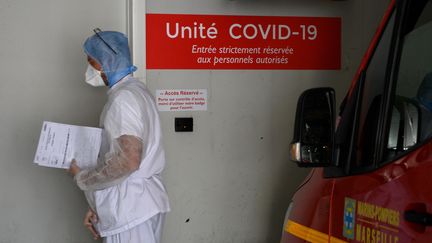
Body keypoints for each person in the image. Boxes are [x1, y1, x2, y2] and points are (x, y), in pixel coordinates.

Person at [68, 29, 170, 243]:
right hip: (140, 204)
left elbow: (128, 161)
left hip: (131, 209)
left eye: (92, 62)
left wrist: (83, 178)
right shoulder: (138, 91)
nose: (89, 69)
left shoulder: (123, 100)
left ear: (108, 62)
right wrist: (97, 205)